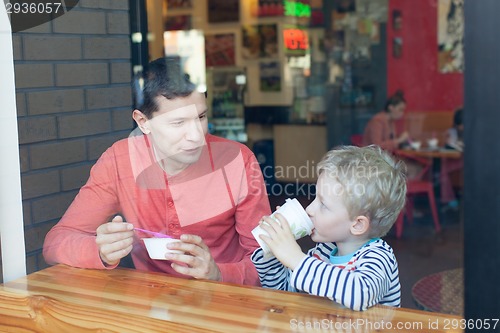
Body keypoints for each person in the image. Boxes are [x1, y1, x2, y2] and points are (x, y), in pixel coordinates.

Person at [43, 57, 271, 285]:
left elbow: (269, 264)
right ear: (143, 122)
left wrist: (218, 273)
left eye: (200, 117)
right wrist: (100, 250)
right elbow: (55, 243)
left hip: (227, 301)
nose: (195, 135)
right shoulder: (119, 160)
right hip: (152, 303)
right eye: (178, 123)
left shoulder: (238, 160)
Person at [251, 145, 407, 311]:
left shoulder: (378, 257)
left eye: (323, 205)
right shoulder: (323, 252)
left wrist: (296, 258)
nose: (309, 209)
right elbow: (283, 293)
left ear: (358, 224)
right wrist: (273, 254)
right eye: (315, 198)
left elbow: (359, 294)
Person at [441, 107, 464, 210]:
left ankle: (449, 199)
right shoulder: (452, 132)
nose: (461, 127)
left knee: (444, 168)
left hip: (466, 161)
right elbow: (448, 144)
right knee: (444, 166)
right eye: (459, 125)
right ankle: (449, 199)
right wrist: (448, 141)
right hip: (455, 159)